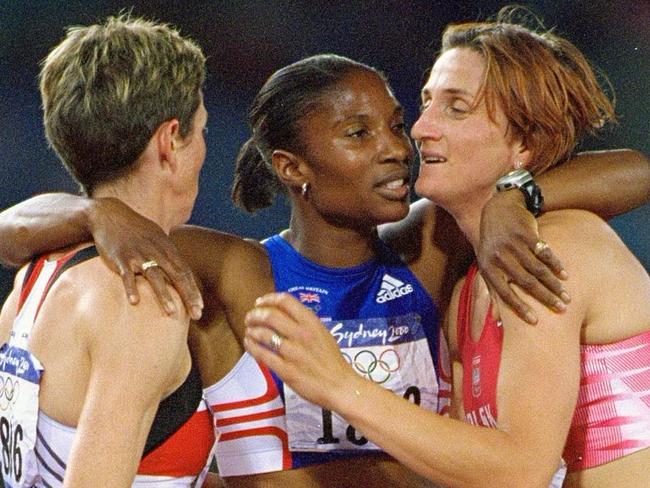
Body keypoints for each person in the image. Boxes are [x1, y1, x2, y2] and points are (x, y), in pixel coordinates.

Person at [1, 49, 649, 488]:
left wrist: (519, 194)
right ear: (292, 167)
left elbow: (634, 170)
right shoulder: (236, 268)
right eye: (358, 134)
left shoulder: (431, 247)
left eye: (396, 126)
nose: (398, 149)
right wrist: (95, 215)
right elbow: (12, 231)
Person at [243, 9, 650, 488]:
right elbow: (464, 469)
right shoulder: (463, 292)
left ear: (522, 142)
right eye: (427, 103)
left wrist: (339, 386)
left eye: (456, 108)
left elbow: (520, 469)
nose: (419, 130)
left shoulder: (554, 247)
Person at [0, 15, 218, 487]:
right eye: (201, 131)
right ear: (168, 143)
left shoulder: (34, 278)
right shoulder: (139, 300)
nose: (205, 148)